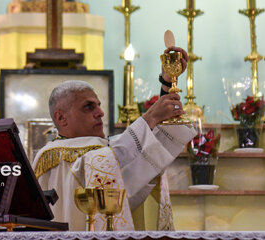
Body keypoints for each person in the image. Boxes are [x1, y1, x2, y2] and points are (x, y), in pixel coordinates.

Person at [33, 47, 197, 231]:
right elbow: (115, 154)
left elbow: (139, 164)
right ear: (61, 118)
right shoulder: (52, 155)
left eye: (99, 106)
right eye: (88, 107)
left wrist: (166, 86)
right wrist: (149, 118)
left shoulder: (102, 152)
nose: (100, 112)